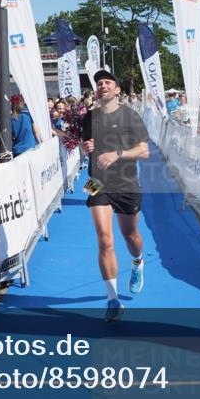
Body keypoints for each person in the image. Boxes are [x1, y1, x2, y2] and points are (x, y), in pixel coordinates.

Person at [81, 69, 150, 322]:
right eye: (99, 83)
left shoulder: (130, 116)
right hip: (96, 182)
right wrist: (84, 148)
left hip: (126, 182)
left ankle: (137, 261)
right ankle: (113, 300)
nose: (103, 86)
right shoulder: (88, 117)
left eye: (108, 82)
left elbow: (144, 152)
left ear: (117, 89)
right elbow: (85, 147)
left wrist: (117, 154)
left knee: (130, 235)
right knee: (104, 239)